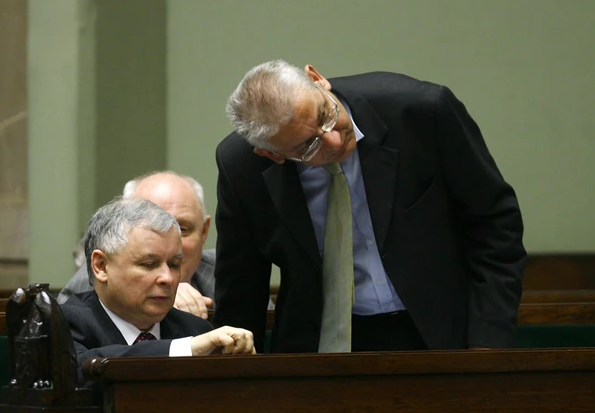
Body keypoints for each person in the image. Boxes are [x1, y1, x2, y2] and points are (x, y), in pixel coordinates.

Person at [214, 60, 526, 354]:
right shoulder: (241, 167)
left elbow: (495, 225)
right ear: (272, 154)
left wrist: (487, 342)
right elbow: (241, 286)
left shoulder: (421, 111)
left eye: (325, 116)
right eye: (308, 146)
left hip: (442, 331)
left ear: (317, 80)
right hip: (319, 347)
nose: (334, 141)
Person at [60, 197, 255, 373]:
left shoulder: (195, 328)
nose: (167, 278)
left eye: (174, 264)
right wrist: (185, 349)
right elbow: (79, 370)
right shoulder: (65, 324)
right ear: (101, 266)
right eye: (149, 264)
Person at [58, 171, 215, 319]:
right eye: (151, 228)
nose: (171, 240)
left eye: (183, 229)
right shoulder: (93, 282)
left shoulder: (223, 270)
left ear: (204, 231)